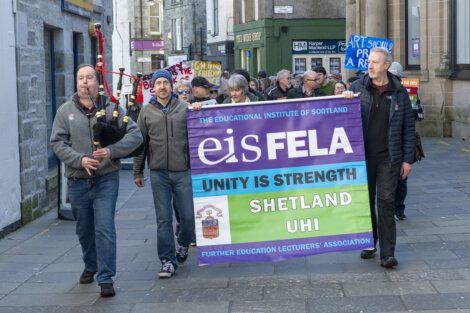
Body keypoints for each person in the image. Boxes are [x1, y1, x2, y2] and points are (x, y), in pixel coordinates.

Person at [50, 64, 143, 297]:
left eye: (89, 77)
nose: (84, 82)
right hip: (78, 179)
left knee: (104, 227)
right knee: (84, 229)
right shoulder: (64, 111)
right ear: (76, 82)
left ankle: (106, 278)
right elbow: (57, 143)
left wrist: (112, 151)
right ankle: (91, 264)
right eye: (80, 77)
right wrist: (79, 160)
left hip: (106, 178)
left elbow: (136, 136)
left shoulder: (112, 108)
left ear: (96, 81)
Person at [347, 47, 415, 268]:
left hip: (389, 158)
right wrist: (345, 99)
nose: (370, 65)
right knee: (364, 202)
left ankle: (388, 254)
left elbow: (408, 127)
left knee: (385, 202)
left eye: (375, 62)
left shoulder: (399, 92)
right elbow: (343, 118)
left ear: (386, 65)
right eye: (369, 61)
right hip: (362, 157)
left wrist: (407, 159)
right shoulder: (358, 87)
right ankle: (369, 243)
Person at [133, 69, 196, 278]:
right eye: (158, 83)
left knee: (187, 217)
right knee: (163, 219)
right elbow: (140, 144)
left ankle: (184, 242)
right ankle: (167, 260)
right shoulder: (146, 112)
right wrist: (137, 171)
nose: (162, 86)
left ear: (171, 86)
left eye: (165, 83)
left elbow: (199, 134)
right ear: (153, 86)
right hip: (159, 173)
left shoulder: (184, 108)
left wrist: (198, 110)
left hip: (183, 171)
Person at [388, 61, 424, 221]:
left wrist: (413, 106)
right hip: (384, 144)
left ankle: (398, 208)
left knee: (401, 179)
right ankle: (389, 208)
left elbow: (419, 116)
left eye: (398, 77)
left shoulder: (406, 93)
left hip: (401, 143)